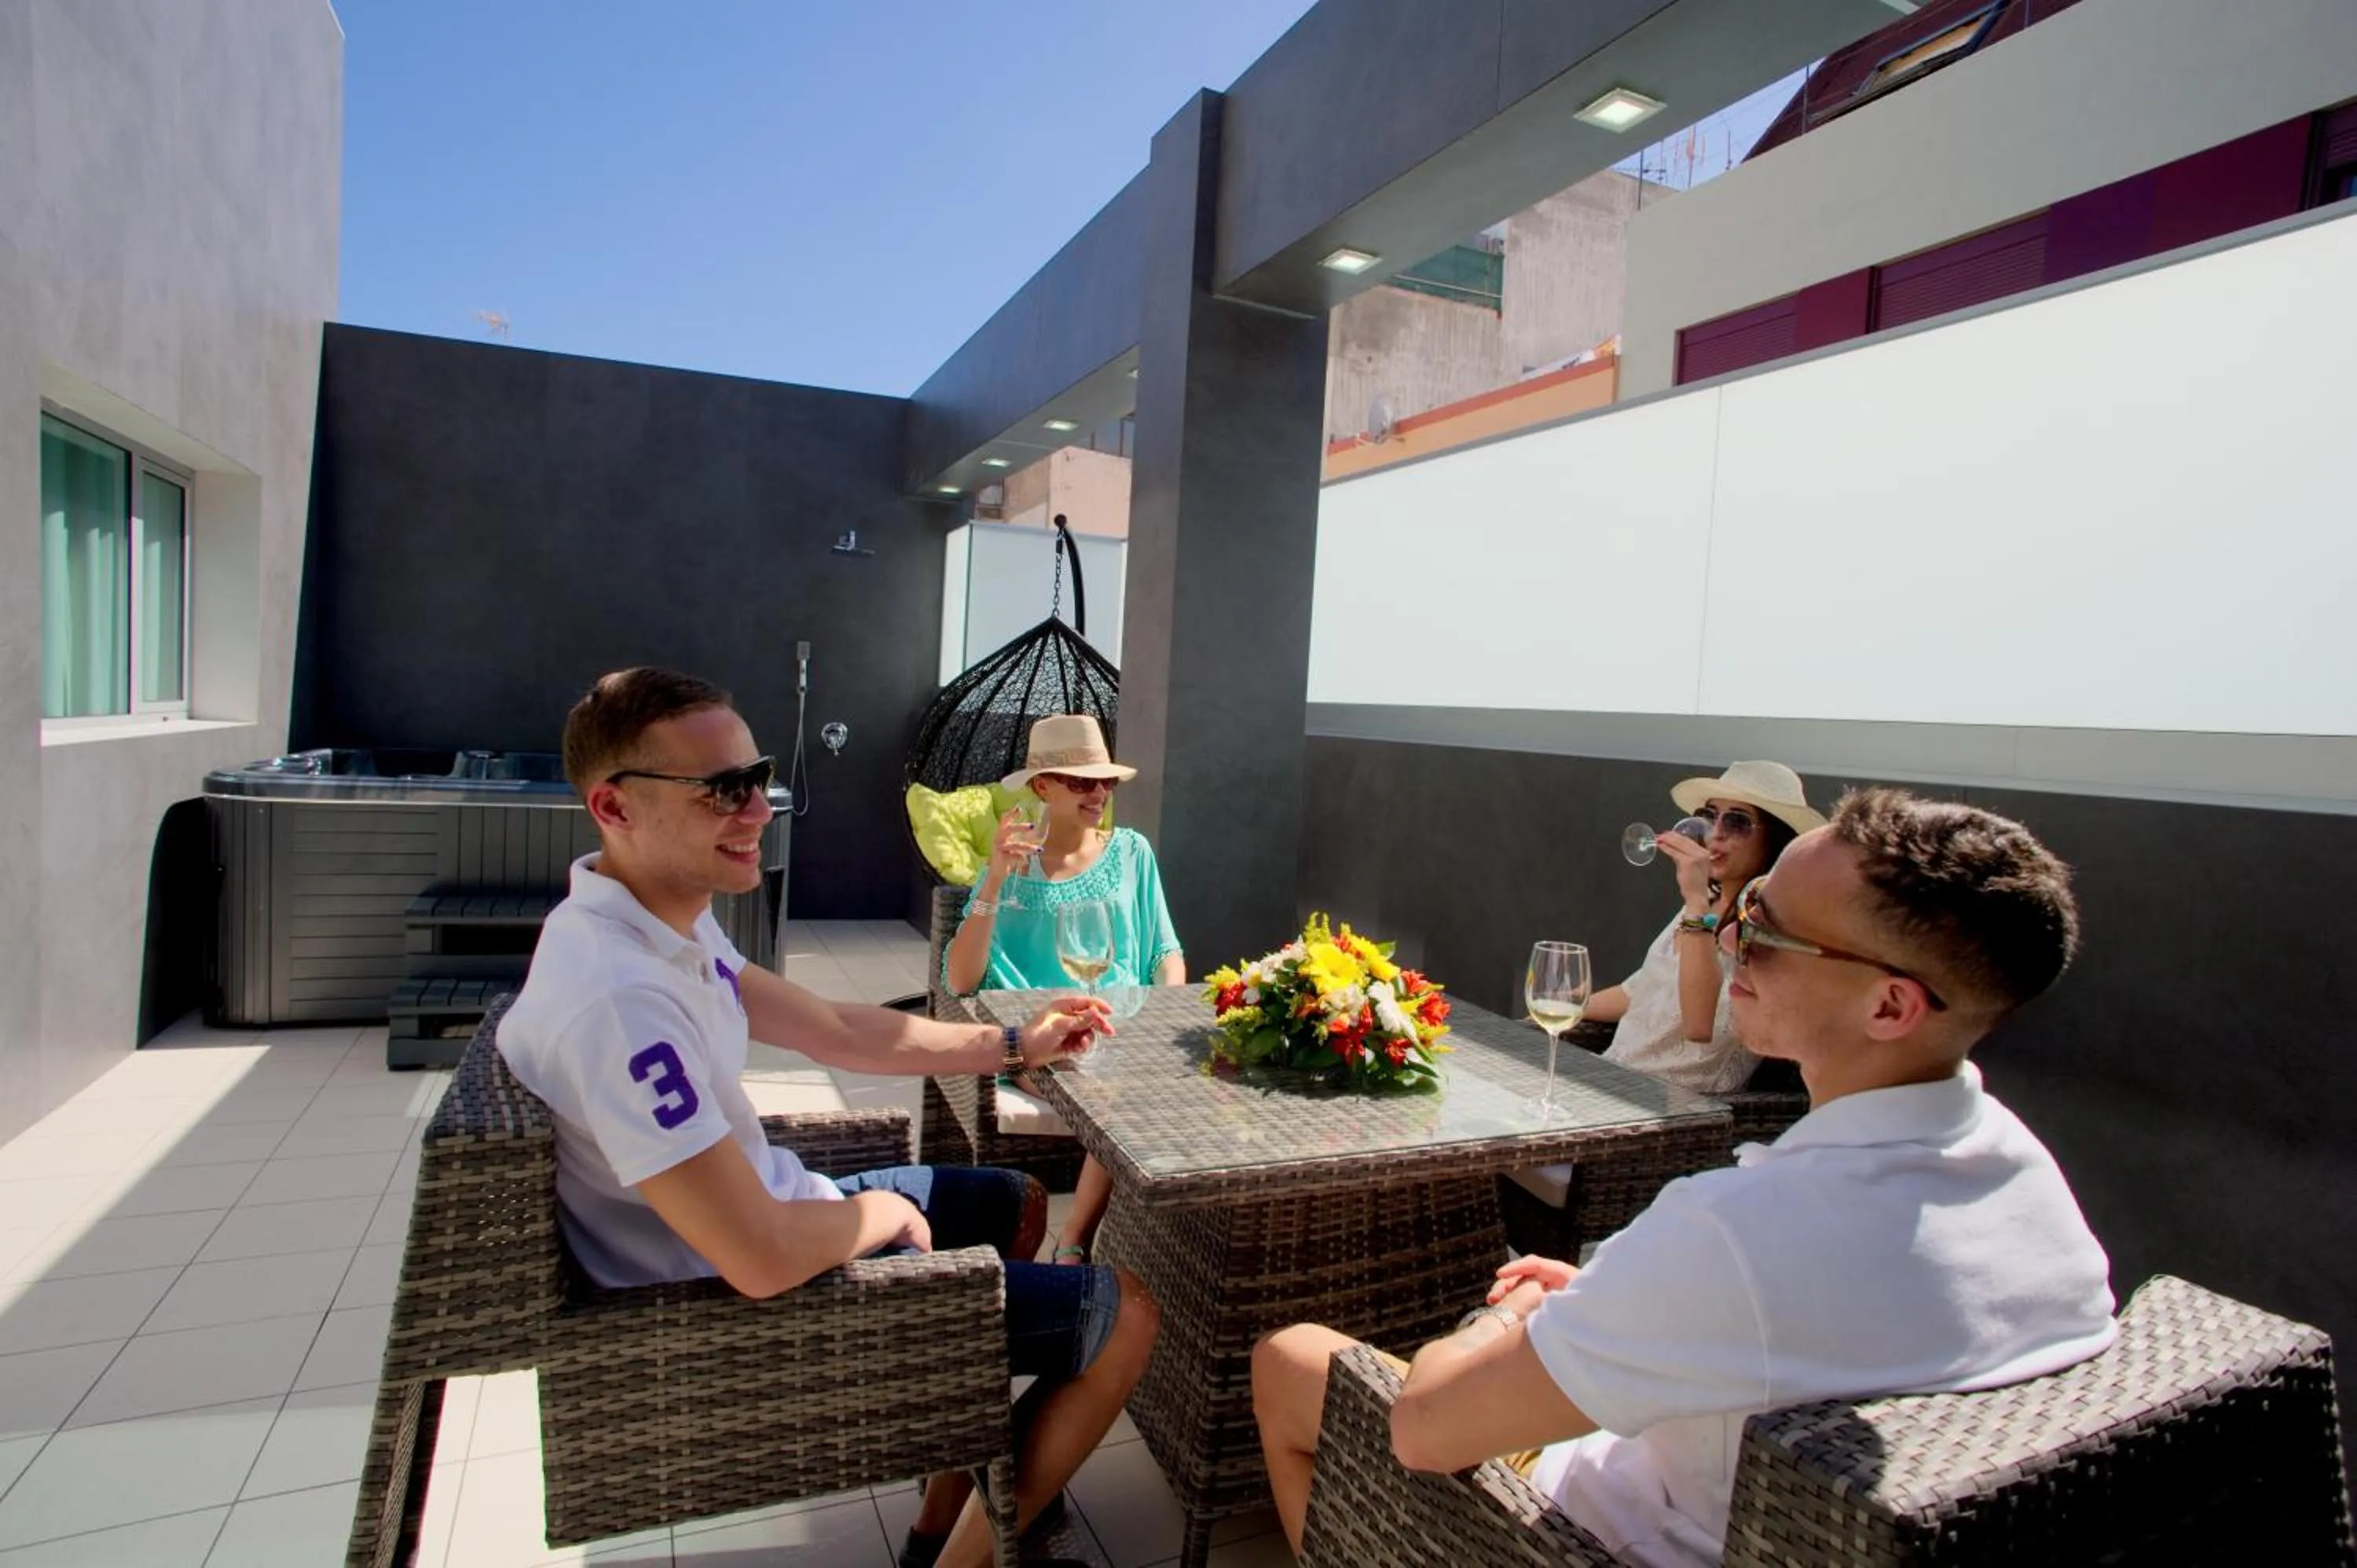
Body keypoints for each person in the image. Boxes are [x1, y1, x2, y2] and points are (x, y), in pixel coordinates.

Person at [1252, 788, 2117, 1568]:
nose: (1732, 935)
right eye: (1743, 911)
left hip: (1590, 1529)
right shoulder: (2031, 1186)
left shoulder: (1737, 1232)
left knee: (1290, 1360)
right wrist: (1616, 1295)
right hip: (1755, 1514)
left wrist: (1504, 1313)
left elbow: (1423, 1430)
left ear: (1889, 1006)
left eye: (1768, 931)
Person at [497, 669, 1158, 1568]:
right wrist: (881, 1216)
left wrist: (1012, 1045)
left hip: (770, 1211)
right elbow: (760, 1255)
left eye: (758, 779)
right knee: (1129, 1315)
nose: (760, 810)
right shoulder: (620, 1000)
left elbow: (840, 1027)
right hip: (739, 1299)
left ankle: (942, 1517)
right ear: (614, 806)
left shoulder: (657, 926)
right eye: (723, 790)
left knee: (1011, 1205)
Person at [942, 713, 1184, 1265]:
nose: (1098, 793)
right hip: (1042, 1040)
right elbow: (960, 980)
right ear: (1042, 787)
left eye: (1106, 781)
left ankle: (1158, 1244)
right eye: (1081, 782)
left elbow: (1167, 952)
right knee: (1123, 1097)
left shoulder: (1132, 853)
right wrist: (997, 879)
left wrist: (1163, 1011)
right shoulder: (1013, 865)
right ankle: (1075, 1242)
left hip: (1123, 1028)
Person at [1589, 760, 1822, 1095]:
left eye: (1738, 822)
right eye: (1710, 815)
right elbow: (1644, 990)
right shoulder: (1703, 903)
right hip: (1614, 1081)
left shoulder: (1770, 926)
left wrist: (1695, 898)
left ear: (1774, 840)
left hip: (1676, 1109)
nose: (1716, 832)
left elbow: (1699, 1026)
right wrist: (1563, 1008)